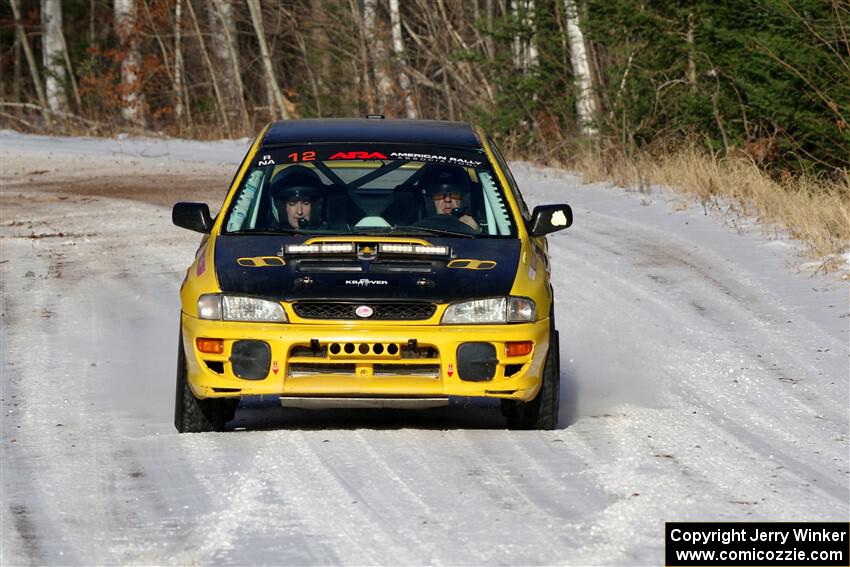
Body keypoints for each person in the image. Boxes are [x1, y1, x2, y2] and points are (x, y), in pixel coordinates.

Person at [421, 164, 480, 231]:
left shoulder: (486, 223)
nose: (448, 200)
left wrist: (477, 231)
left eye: (454, 194)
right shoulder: (415, 230)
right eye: (439, 195)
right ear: (429, 200)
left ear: (464, 198)